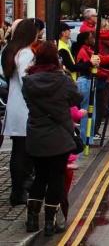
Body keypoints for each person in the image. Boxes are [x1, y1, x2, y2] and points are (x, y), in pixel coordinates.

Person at [22, 41, 82, 236]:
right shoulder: (62, 80)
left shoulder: (28, 81)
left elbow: (28, 102)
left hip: (36, 136)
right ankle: (49, 223)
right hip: (59, 137)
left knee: (40, 176)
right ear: (56, 58)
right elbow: (76, 98)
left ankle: (31, 219)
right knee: (56, 178)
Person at [1, 18, 39, 206]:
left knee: (19, 151)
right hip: (24, 107)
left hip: (15, 106)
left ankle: (18, 190)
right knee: (24, 153)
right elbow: (28, 81)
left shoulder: (12, 50)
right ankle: (20, 190)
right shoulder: (25, 54)